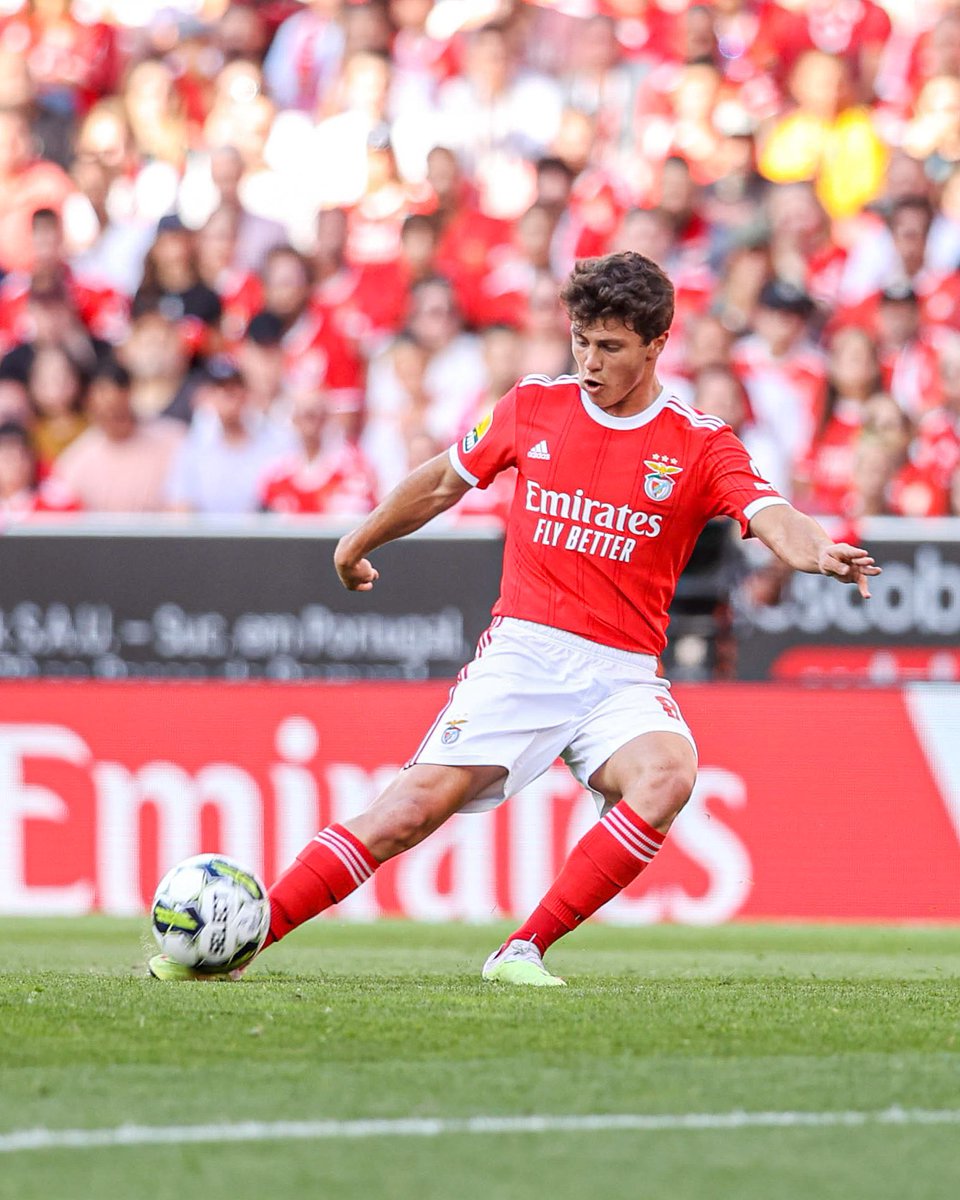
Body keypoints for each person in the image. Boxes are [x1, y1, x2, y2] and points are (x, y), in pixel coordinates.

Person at [148, 251, 880, 987]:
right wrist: (357, 538)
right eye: (580, 341)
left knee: (668, 774)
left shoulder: (698, 442)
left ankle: (521, 949)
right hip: (526, 651)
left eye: (611, 347)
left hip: (622, 671)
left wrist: (819, 552)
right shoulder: (535, 406)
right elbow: (441, 481)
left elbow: (772, 513)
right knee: (408, 812)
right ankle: (242, 942)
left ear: (657, 346)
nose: (589, 362)